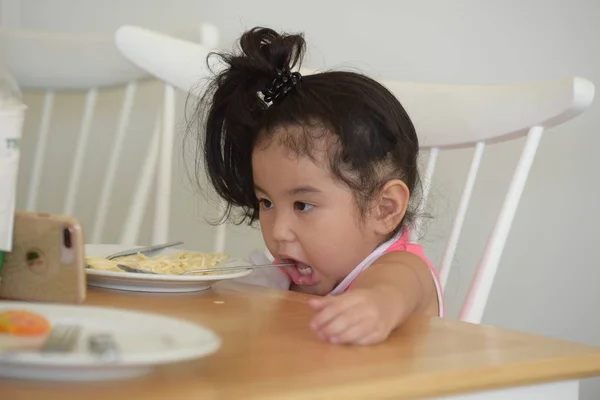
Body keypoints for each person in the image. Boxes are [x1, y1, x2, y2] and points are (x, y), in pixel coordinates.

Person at [190, 26, 444, 345]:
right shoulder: (287, 276)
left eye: (302, 205)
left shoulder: (399, 269)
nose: (278, 230)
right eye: (266, 202)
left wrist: (377, 306)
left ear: (385, 208)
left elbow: (393, 292)